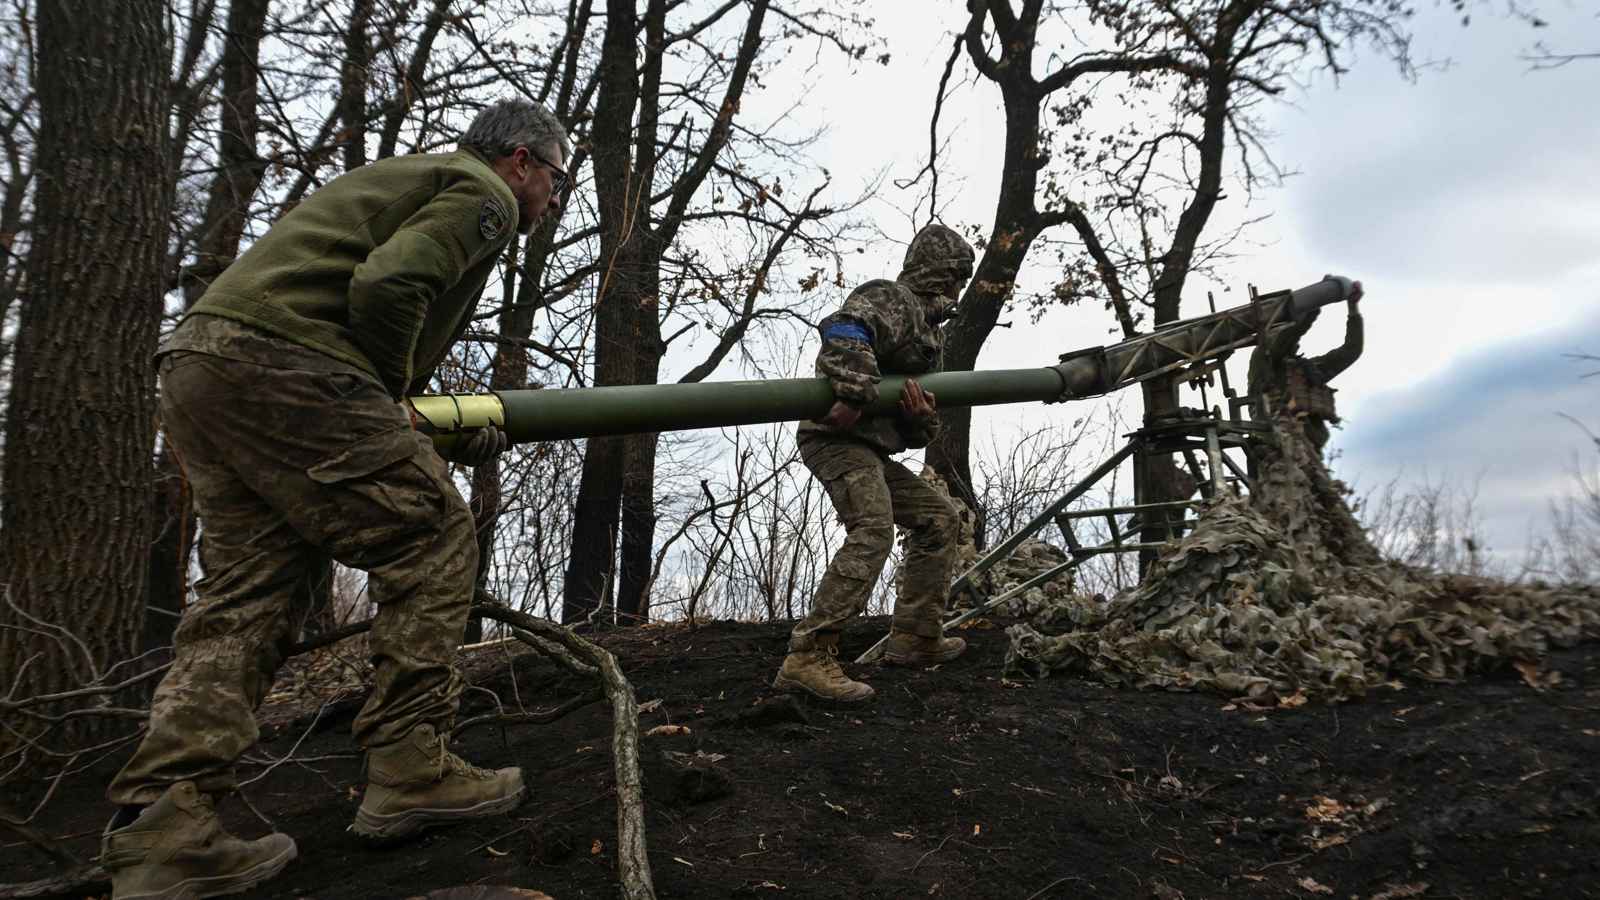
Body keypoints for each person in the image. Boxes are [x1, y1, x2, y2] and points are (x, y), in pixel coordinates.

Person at [99, 99, 570, 900]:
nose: (554, 199)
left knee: (249, 595)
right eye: (556, 180)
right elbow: (390, 284)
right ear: (520, 160)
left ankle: (163, 828)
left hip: (203, 363)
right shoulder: (482, 191)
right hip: (283, 359)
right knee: (432, 532)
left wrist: (413, 421)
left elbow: (365, 324)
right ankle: (411, 766)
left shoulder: (412, 177)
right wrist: (384, 406)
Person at [771, 223, 976, 703]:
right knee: (874, 527)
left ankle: (915, 637)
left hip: (871, 449)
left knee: (940, 518)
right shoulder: (891, 297)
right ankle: (807, 656)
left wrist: (919, 420)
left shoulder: (931, 334)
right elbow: (844, 328)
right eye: (955, 277)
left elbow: (919, 428)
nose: (957, 289)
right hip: (834, 438)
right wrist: (856, 393)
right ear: (938, 273)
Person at [1247, 280, 1366, 452]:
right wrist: (1317, 301)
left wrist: (1353, 308)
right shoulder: (1264, 362)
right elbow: (1288, 337)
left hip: (1309, 452)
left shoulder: (1307, 370)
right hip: (1276, 449)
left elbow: (1351, 351)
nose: (1281, 331)